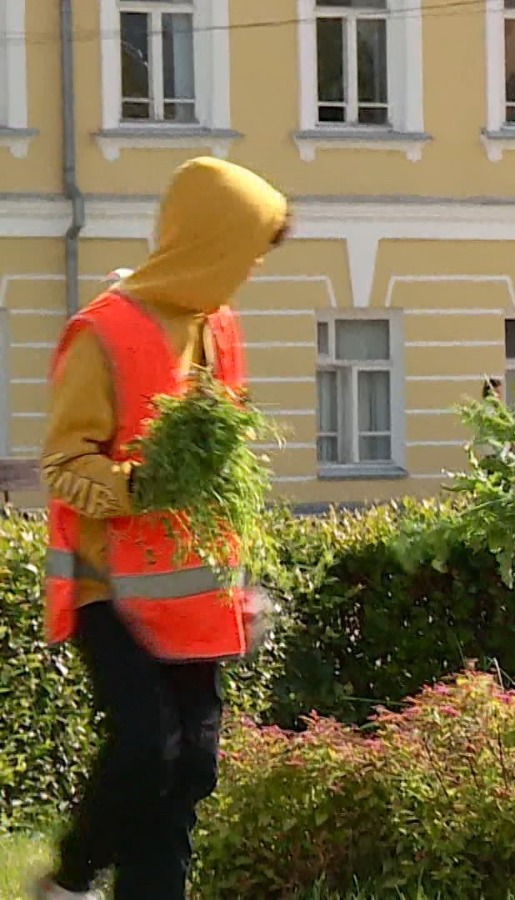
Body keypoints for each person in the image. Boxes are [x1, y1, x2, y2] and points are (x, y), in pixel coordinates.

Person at [32, 157, 291, 900]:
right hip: (105, 588)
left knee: (191, 771)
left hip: (192, 596)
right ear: (207, 244)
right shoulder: (102, 333)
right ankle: (70, 880)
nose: (246, 272)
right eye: (244, 253)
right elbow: (63, 463)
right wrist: (138, 486)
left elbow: (223, 476)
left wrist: (239, 582)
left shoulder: (221, 329)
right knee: (148, 752)